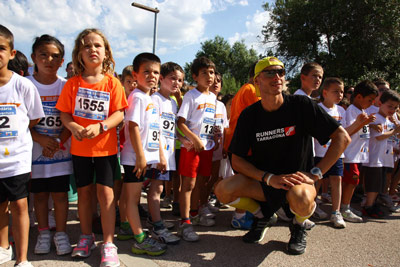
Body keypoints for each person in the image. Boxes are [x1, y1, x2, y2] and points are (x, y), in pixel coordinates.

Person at [215, 56, 350, 255]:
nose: (277, 76)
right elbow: (237, 160)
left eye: (281, 72)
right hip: (265, 182)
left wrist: (315, 174)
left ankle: (298, 225)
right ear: (257, 81)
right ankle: (262, 216)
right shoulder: (249, 115)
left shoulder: (301, 104)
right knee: (223, 190)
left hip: (297, 182)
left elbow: (342, 137)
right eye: (270, 72)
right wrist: (269, 178)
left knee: (303, 198)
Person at [56, 28, 128, 267]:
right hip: (80, 151)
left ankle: (108, 243)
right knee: (84, 195)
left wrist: (102, 126)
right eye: (87, 46)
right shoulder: (72, 84)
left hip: (106, 150)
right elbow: (65, 114)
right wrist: (73, 126)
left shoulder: (113, 83)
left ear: (106, 52)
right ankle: (86, 237)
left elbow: (119, 114)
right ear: (79, 53)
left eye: (98, 45)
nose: (92, 49)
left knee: (107, 195)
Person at [0, 24, 44, 267]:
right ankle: (3, 247)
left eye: (1, 48)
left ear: (12, 53)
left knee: (19, 205)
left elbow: (33, 118)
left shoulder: (23, 85)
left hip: (16, 157)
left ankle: (23, 258)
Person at [27, 34, 73, 255]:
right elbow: (19, 121)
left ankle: (61, 233)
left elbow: (72, 118)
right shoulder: (25, 85)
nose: (49, 60)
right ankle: (44, 232)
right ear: (34, 57)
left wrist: (57, 141)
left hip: (61, 151)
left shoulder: (67, 86)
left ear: (62, 62)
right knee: (40, 196)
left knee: (61, 195)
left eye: (55, 56)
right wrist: (40, 139)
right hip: (35, 151)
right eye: (43, 55)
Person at [120, 52, 167, 255]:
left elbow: (154, 130)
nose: (152, 76)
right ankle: (140, 239)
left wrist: (160, 155)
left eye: (155, 72)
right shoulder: (137, 97)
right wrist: (140, 156)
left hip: (144, 157)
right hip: (134, 158)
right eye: (146, 71)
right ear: (135, 73)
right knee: (133, 198)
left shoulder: (150, 98)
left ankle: (126, 227)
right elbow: (132, 126)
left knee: (128, 195)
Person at [176, 56, 217, 241]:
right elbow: (180, 122)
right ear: (195, 76)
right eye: (204, 73)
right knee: (188, 184)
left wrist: (214, 133)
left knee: (201, 183)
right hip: (192, 148)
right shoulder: (190, 96)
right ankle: (184, 222)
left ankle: (194, 213)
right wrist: (194, 139)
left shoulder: (213, 97)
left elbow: (206, 121)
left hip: (207, 147)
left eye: (212, 72)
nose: (209, 76)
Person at [146, 61, 186, 245]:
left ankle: (154, 220)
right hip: (157, 154)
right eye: (172, 78)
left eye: (180, 80)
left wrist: (183, 139)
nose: (176, 83)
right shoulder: (154, 100)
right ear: (161, 78)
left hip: (168, 153)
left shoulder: (172, 102)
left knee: (158, 187)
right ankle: (157, 225)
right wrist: (160, 154)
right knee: (157, 189)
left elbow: (172, 129)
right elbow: (154, 129)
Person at [223, 62, 258, 230]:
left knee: (246, 181)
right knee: (244, 182)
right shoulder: (251, 90)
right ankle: (239, 216)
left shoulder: (245, 89)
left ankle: (245, 213)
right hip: (242, 145)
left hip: (239, 143)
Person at [341, 80, 378, 223]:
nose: (371, 103)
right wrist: (363, 122)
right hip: (350, 155)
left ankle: (346, 206)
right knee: (351, 182)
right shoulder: (351, 111)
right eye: (369, 100)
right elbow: (348, 132)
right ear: (359, 97)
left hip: (358, 155)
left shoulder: (361, 111)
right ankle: (344, 208)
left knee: (353, 182)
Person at [314, 77, 348, 228]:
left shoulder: (341, 111)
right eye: (336, 91)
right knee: (317, 180)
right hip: (319, 153)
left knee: (337, 180)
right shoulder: (317, 108)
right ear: (325, 92)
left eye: (342, 92)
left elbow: (345, 133)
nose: (340, 95)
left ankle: (336, 212)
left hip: (336, 154)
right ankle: (313, 206)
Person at [362, 90, 400, 217]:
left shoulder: (390, 122)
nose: (392, 110)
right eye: (389, 106)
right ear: (380, 103)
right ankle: (368, 205)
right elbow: (379, 137)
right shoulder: (375, 118)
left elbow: (391, 139)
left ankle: (375, 203)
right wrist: (394, 131)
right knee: (373, 183)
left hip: (385, 158)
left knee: (381, 183)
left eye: (395, 108)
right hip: (375, 158)